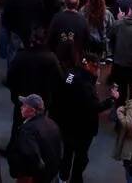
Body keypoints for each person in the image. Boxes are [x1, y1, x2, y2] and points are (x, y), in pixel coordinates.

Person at [51, 54, 117, 183]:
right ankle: (75, 178)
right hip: (82, 128)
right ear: (89, 65)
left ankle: (62, 177)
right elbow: (93, 107)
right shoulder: (85, 85)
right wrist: (111, 100)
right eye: (96, 66)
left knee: (67, 154)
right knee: (80, 157)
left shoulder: (70, 75)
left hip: (66, 122)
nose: (98, 70)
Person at [5, 94, 62, 183]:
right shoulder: (52, 124)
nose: (21, 107)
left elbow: (30, 155)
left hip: (32, 176)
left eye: (24, 106)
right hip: (49, 173)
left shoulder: (28, 130)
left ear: (32, 110)